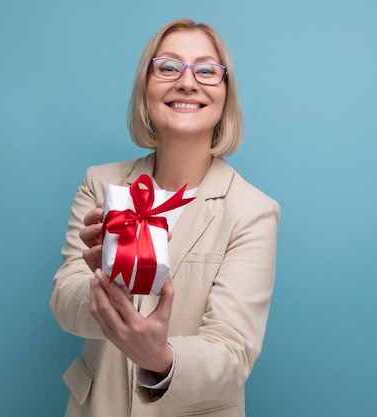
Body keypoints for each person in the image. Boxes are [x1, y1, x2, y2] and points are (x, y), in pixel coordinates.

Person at [50, 18, 280, 417]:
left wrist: (159, 356)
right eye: (169, 67)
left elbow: (231, 352)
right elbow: (63, 300)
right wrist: (106, 288)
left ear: (226, 96)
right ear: (146, 91)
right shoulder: (101, 184)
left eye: (207, 70)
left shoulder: (252, 212)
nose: (187, 82)